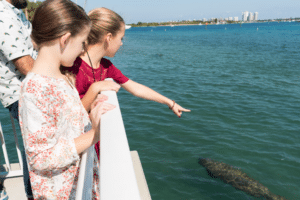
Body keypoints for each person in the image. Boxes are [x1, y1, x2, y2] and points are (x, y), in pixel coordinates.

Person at [62, 7, 191, 159]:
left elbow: (135, 88)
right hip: (74, 145)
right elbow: (71, 116)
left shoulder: (106, 66)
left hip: (91, 140)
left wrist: (170, 103)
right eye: (121, 38)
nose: (121, 44)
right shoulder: (73, 65)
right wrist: (95, 88)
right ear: (108, 38)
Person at [18, 0, 115, 199]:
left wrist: (89, 114)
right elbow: (40, 158)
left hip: (78, 186)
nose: (82, 50)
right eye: (82, 43)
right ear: (65, 39)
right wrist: (94, 135)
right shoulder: (35, 89)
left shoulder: (62, 78)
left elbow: (64, 125)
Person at [0, 0, 37, 199]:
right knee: (36, 148)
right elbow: (25, 65)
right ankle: (34, 194)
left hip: (29, 90)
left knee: (36, 146)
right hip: (23, 93)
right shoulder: (3, 15)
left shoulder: (16, 13)